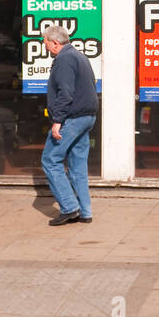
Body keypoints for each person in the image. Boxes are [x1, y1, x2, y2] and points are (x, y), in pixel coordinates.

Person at [41, 25, 98, 226]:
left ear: (55, 43)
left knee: (50, 159)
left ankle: (69, 207)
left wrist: (57, 121)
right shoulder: (80, 56)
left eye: (46, 42)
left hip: (72, 119)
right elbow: (92, 82)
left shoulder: (64, 59)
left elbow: (66, 93)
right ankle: (85, 212)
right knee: (77, 167)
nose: (45, 46)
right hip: (87, 117)